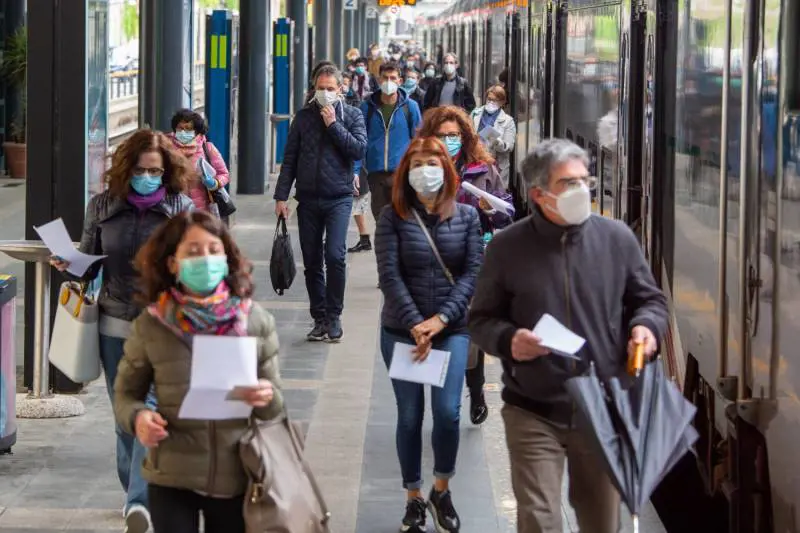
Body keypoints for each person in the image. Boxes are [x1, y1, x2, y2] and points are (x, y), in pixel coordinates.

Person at [468, 138, 669, 533]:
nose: (582, 191)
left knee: (601, 522)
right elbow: (480, 320)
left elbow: (650, 301)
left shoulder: (616, 240)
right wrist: (510, 341)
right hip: (532, 408)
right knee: (539, 520)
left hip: (602, 408)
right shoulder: (507, 248)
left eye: (584, 180)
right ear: (540, 194)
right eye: (569, 183)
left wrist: (647, 328)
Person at [49, 129, 195, 533]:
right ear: (127, 169)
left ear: (167, 173)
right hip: (114, 322)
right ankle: (136, 486)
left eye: (156, 171)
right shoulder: (102, 206)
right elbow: (90, 260)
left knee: (146, 408)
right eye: (142, 170)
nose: (148, 176)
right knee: (123, 416)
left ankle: (140, 501)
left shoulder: (180, 208)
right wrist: (71, 263)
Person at [114, 210, 284, 533]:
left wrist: (265, 396)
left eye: (212, 250)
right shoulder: (153, 324)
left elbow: (276, 408)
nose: (204, 259)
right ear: (172, 264)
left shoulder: (255, 322)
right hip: (172, 473)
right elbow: (126, 394)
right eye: (192, 252)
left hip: (236, 474)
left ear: (226, 257)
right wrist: (138, 418)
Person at [375, 136, 483, 533]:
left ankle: (441, 489)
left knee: (447, 414)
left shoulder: (469, 217)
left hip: (451, 330)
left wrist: (440, 320)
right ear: (407, 170)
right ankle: (413, 498)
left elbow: (472, 273)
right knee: (408, 417)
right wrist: (415, 323)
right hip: (402, 332)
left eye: (433, 161)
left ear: (447, 168)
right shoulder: (392, 217)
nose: (426, 169)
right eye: (418, 163)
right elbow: (390, 275)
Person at [418, 106, 511, 426]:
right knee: (440, 323)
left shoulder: (482, 168)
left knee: (468, 328)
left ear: (465, 137)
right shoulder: (421, 167)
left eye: (454, 136)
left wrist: (492, 208)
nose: (448, 141)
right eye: (442, 135)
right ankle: (447, 390)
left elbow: (506, 210)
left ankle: (474, 389)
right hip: (432, 262)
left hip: (474, 260)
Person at [273, 65, 367, 343]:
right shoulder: (302, 119)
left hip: (338, 197)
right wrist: (281, 196)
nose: (324, 93)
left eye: (330, 88)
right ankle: (320, 317)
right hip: (309, 198)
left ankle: (334, 315)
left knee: (335, 256)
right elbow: (289, 159)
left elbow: (358, 150)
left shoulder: (352, 115)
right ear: (313, 89)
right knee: (312, 261)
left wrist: (333, 126)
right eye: (320, 88)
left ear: (341, 89)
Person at [356, 61, 423, 225]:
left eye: (393, 78)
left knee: (401, 218)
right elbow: (359, 141)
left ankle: (399, 249)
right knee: (381, 220)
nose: (388, 81)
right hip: (375, 174)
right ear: (379, 80)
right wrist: (356, 170)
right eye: (385, 77)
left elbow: (419, 141)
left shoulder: (410, 107)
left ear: (400, 81)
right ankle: (384, 250)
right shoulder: (367, 107)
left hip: (400, 174)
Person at [168, 108, 231, 212]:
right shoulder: (167, 148)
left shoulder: (208, 148)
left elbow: (224, 174)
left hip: (201, 210)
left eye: (188, 129)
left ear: (196, 131)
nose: (183, 132)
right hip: (174, 208)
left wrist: (215, 183)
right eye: (180, 128)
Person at [470, 85, 517, 186]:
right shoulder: (475, 114)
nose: (491, 102)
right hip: (475, 163)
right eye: (489, 99)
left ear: (502, 102)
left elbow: (509, 147)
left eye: (495, 100)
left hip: (496, 167)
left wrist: (498, 142)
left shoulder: (508, 121)